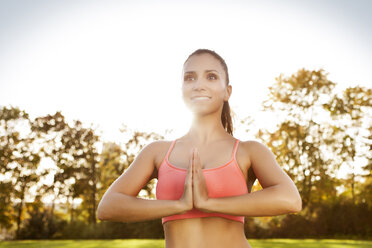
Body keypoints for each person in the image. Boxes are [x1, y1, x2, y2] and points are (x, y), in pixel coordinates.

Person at [97, 48, 302, 248]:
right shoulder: (157, 152)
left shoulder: (249, 151)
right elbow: (108, 207)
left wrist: (207, 203)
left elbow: (290, 200)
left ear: (227, 91)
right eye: (190, 78)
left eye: (211, 77)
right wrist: (179, 205)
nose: (198, 85)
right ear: (182, 90)